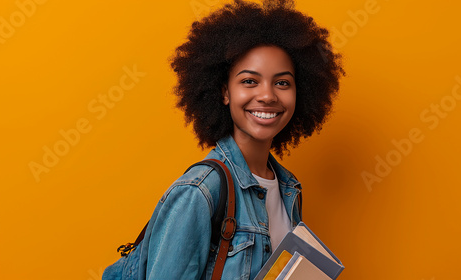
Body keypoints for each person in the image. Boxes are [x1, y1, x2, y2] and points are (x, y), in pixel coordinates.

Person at [110, 0, 344, 279]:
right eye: (249, 81)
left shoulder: (288, 189)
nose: (268, 95)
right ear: (224, 93)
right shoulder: (200, 192)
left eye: (282, 82)